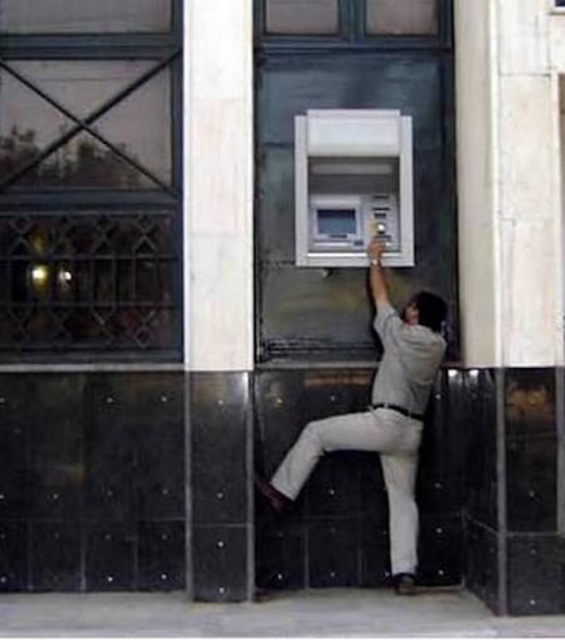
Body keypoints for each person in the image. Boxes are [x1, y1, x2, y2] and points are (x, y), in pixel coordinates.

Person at [255, 238, 448, 595]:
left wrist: (374, 259)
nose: (407, 307)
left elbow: (379, 298)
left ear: (416, 314)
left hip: (385, 423)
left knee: (316, 433)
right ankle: (405, 571)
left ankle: (281, 491)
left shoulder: (402, 335)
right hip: (412, 432)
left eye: (412, 306)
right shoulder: (437, 345)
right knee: (403, 499)